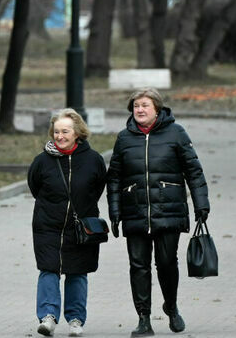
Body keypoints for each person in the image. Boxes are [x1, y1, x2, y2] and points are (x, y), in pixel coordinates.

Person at [107, 88, 210, 336]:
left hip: (168, 210)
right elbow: (114, 178)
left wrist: (201, 204)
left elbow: (193, 171)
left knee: (166, 263)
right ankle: (144, 318)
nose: (140, 110)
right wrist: (114, 211)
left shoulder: (176, 133)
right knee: (138, 266)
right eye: (136, 106)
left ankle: (171, 307)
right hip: (135, 211)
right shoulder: (124, 138)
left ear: (157, 109)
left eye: (145, 105)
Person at [28, 108, 107, 337]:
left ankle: (75, 319)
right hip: (47, 226)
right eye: (56, 132)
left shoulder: (93, 160)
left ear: (78, 133)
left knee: (77, 272)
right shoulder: (42, 161)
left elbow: (97, 188)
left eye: (65, 131)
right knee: (48, 270)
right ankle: (48, 317)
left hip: (81, 227)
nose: (60, 136)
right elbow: (35, 187)